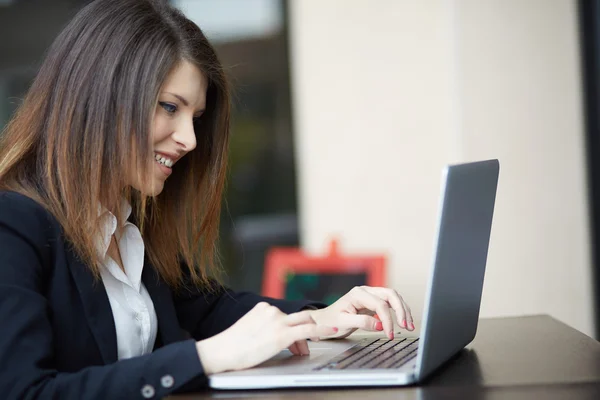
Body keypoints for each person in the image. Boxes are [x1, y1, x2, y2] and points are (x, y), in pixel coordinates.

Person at [0, 0, 414, 398]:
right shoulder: (13, 224)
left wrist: (320, 317)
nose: (190, 140)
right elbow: (23, 392)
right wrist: (206, 356)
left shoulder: (126, 223)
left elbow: (208, 307)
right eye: (168, 107)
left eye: (195, 118)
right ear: (101, 96)